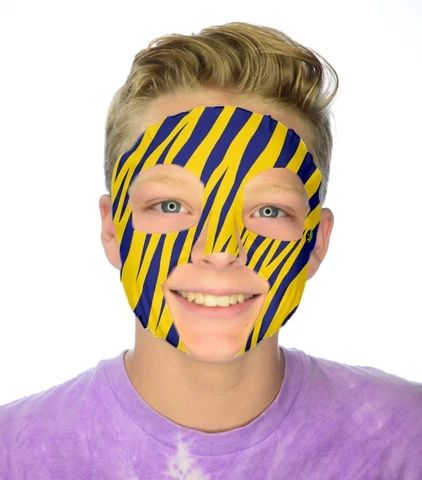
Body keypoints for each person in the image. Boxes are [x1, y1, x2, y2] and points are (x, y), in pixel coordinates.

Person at [1, 21, 421, 480]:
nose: (219, 251)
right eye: (170, 205)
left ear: (315, 241)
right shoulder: (15, 454)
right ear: (112, 229)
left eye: (268, 211)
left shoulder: (404, 440)